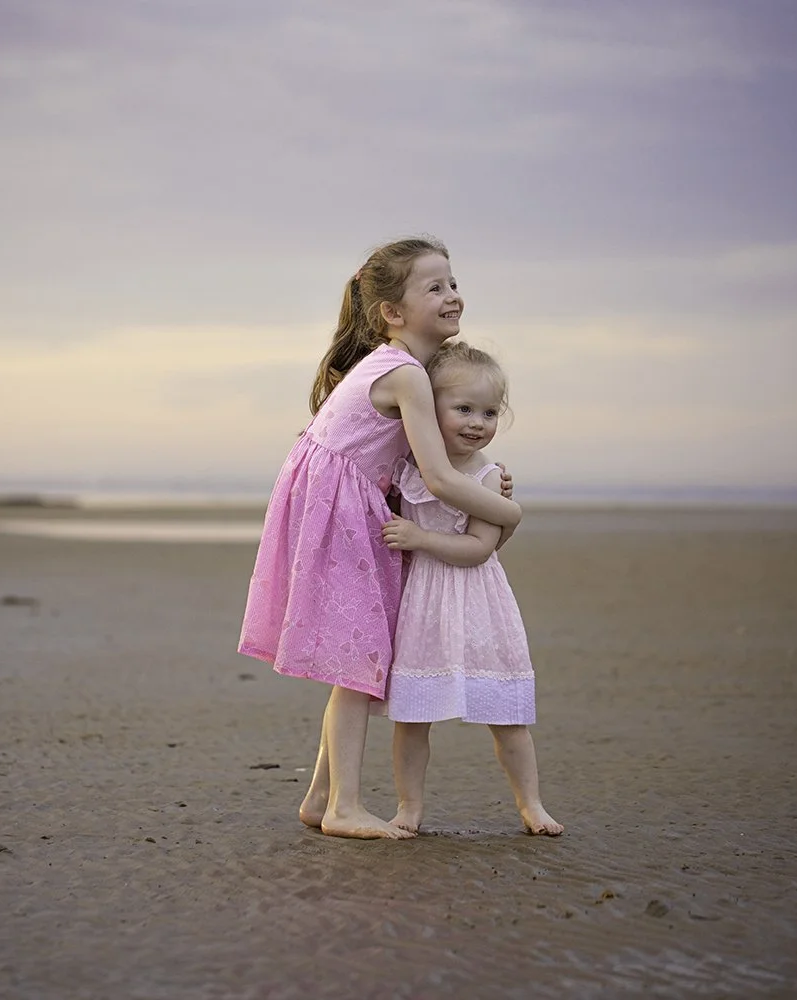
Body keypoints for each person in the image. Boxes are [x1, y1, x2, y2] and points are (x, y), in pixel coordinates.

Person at [238, 236, 523, 840]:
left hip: (340, 505)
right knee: (359, 664)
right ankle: (343, 807)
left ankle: (320, 798)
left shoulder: (399, 369)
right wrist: (507, 511)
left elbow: (431, 465)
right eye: (435, 287)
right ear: (392, 312)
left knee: (363, 658)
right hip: (341, 513)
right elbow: (442, 480)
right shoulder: (406, 375)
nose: (452, 296)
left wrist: (484, 480)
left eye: (453, 283)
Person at [379, 342, 563, 837]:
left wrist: (420, 538)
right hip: (423, 606)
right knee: (414, 717)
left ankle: (531, 804)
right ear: (426, 407)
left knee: (506, 716)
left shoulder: (486, 477)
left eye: (488, 412)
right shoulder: (409, 467)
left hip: (479, 604)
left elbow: (481, 547)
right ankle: (409, 807)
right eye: (463, 408)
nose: (476, 422)